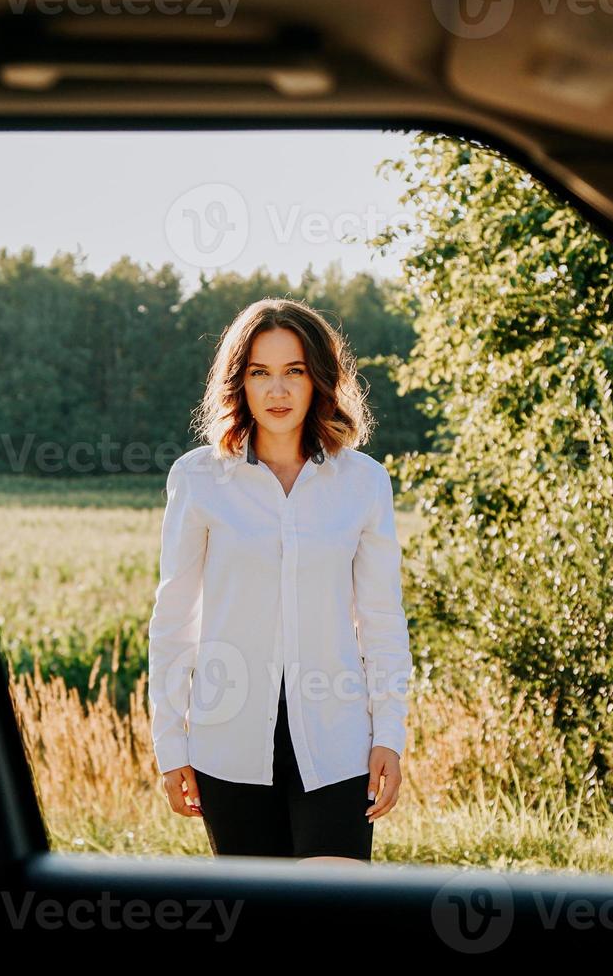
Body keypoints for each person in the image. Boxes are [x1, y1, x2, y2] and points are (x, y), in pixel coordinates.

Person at [147, 297, 413, 861]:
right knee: (260, 928)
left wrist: (389, 733)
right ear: (238, 383)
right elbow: (175, 620)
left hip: (338, 742)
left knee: (335, 916)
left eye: (294, 372)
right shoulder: (198, 479)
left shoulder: (363, 482)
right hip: (228, 743)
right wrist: (171, 744)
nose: (278, 391)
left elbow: (383, 620)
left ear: (319, 379)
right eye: (259, 373)